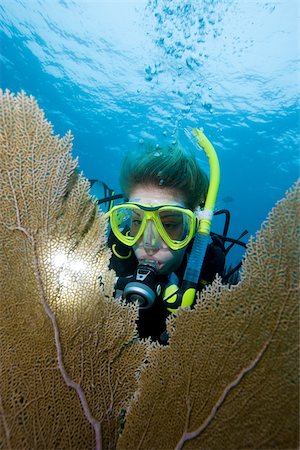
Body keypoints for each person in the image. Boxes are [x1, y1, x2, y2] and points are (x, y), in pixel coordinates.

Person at [105, 131, 227, 344]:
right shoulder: (109, 257)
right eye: (137, 221)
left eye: (169, 224)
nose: (149, 243)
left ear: (195, 227)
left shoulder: (210, 278)